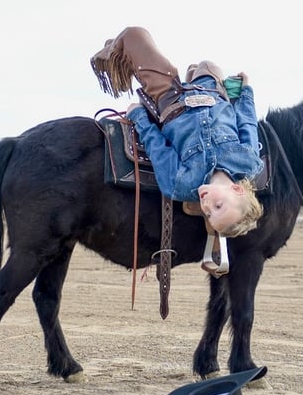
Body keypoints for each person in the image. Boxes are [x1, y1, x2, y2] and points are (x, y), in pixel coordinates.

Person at [90, 26, 264, 237]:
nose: (207, 206)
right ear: (237, 190)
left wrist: (139, 117)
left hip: (172, 100)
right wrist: (246, 92)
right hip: (211, 93)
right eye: (218, 206)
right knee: (207, 65)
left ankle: (111, 53)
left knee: (134, 36)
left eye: (209, 215)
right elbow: (247, 124)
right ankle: (194, 74)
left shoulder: (181, 185)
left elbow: (157, 147)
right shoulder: (249, 162)